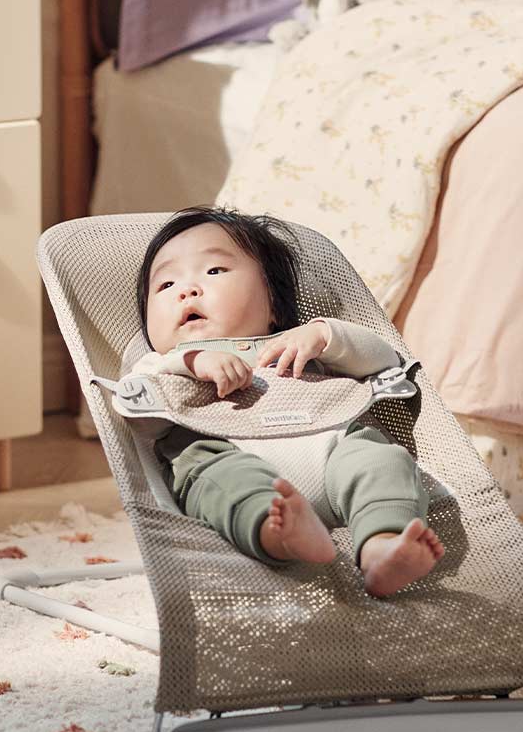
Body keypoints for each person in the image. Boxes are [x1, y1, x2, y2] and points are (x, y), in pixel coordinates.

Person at [130, 206, 444, 598]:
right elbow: (139, 420)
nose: (187, 290)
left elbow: (385, 361)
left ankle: (383, 546)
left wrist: (324, 335)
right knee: (215, 478)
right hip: (228, 455)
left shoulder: (300, 345)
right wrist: (192, 362)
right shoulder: (159, 365)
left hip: (332, 448)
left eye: (214, 270)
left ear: (275, 305)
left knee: (381, 459)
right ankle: (278, 534)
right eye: (166, 285)